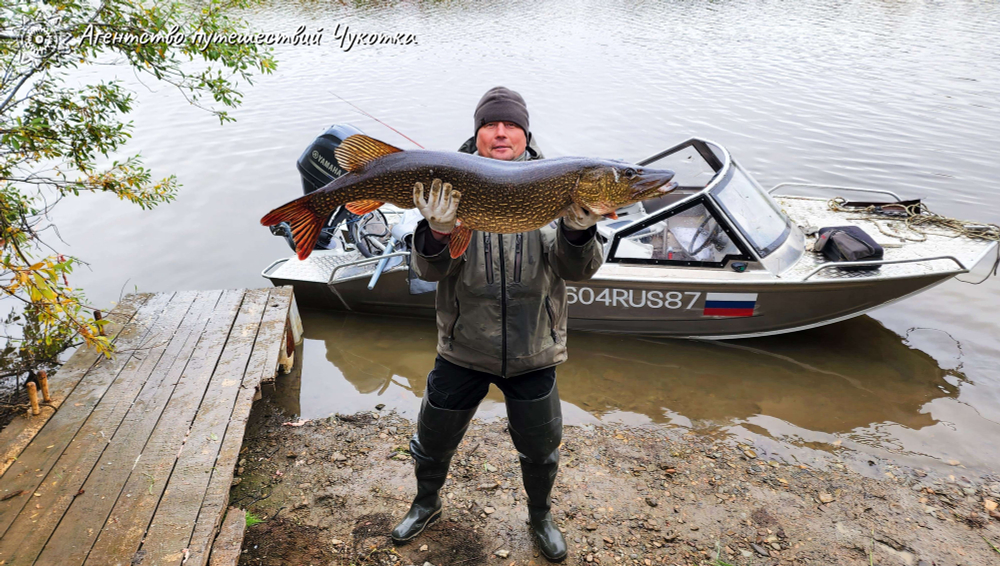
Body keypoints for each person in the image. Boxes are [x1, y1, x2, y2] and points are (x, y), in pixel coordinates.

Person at [390, 86, 604, 562]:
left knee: (541, 448)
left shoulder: (560, 186)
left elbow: (576, 270)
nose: (501, 132)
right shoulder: (447, 183)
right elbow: (429, 272)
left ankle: (540, 516)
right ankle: (426, 504)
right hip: (463, 347)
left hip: (533, 348)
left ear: (526, 134)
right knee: (433, 440)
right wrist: (437, 232)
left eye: (511, 125)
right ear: (478, 134)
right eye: (491, 124)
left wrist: (579, 230)